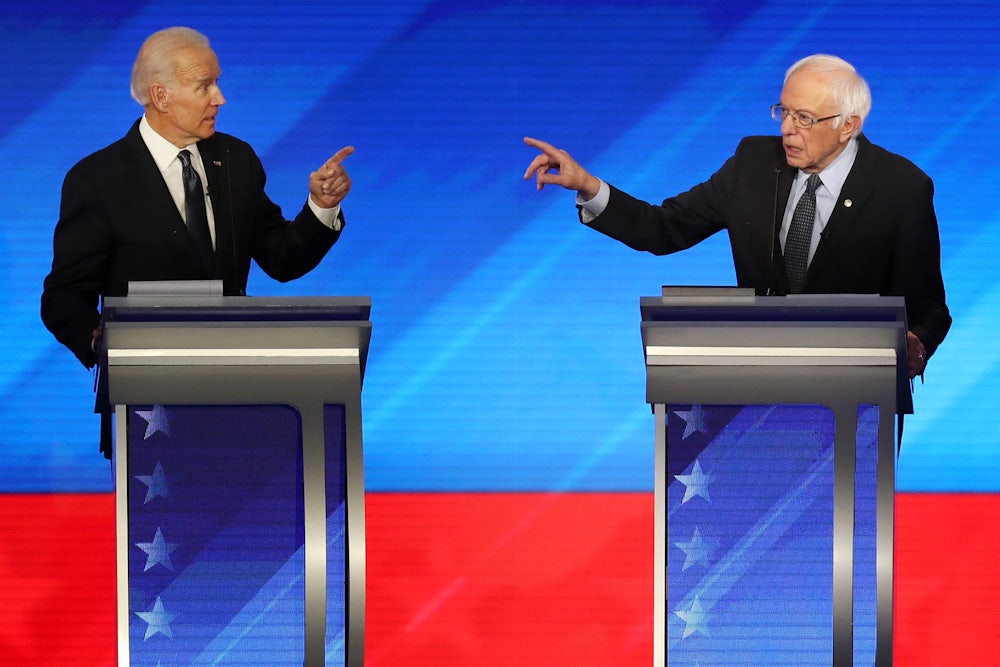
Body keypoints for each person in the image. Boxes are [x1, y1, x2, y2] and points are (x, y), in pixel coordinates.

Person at [523, 54, 950, 380]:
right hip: (757, 382)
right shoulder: (753, 164)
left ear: (848, 125)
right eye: (783, 111)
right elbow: (663, 227)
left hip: (857, 390)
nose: (787, 129)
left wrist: (918, 343)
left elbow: (929, 305)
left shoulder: (901, 187)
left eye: (804, 118)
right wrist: (588, 186)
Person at [41, 26, 354, 456]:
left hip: (241, 401)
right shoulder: (98, 180)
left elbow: (282, 258)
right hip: (147, 416)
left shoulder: (236, 161)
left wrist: (321, 206)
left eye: (217, 83)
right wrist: (106, 347)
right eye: (204, 85)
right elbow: (63, 298)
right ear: (162, 96)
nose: (220, 97)